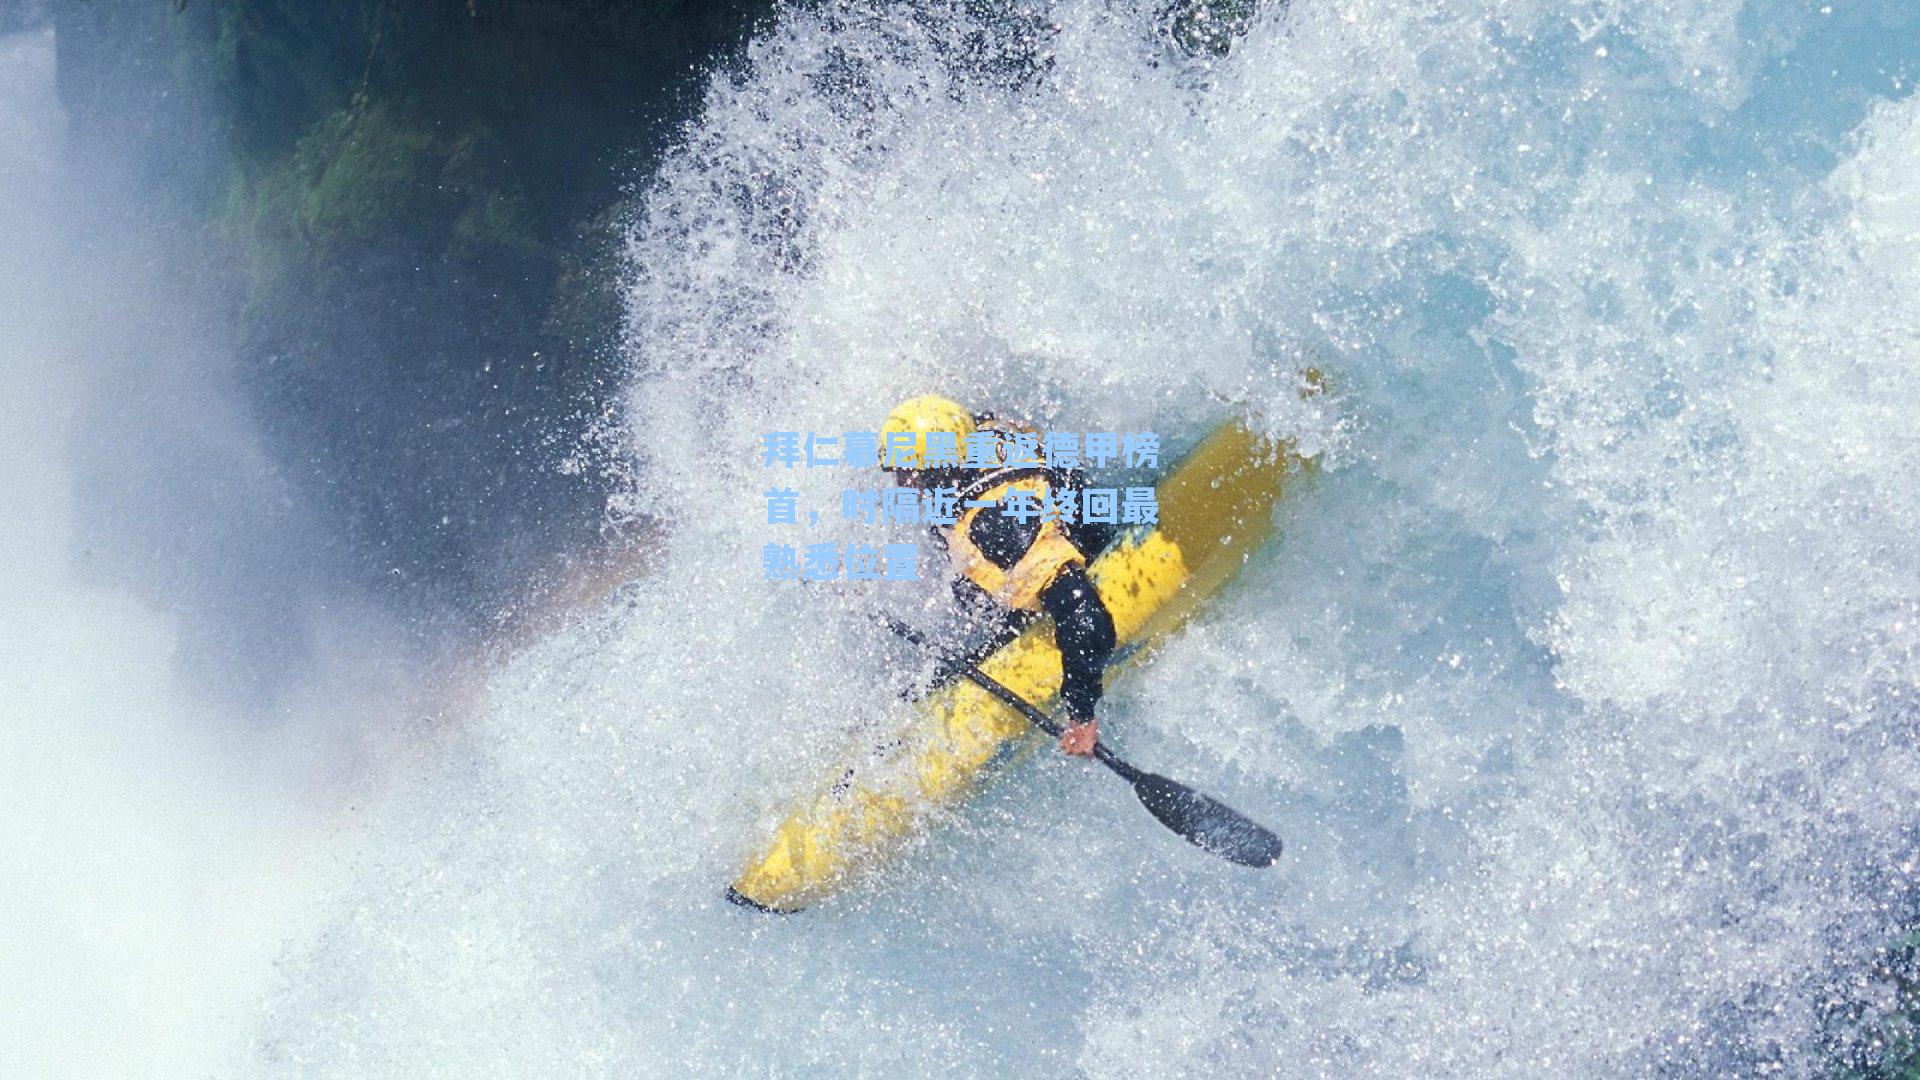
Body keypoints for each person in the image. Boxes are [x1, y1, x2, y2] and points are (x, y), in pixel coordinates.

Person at [879, 394, 1118, 757]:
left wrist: (1081, 716)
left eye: (907, 474)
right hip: (1059, 536)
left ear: (936, 471)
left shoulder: (997, 526)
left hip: (1072, 577)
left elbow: (1086, 621)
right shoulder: (982, 431)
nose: (901, 484)